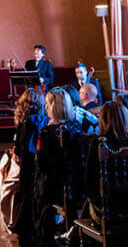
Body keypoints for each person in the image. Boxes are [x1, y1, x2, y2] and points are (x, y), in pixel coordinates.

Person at [84, 100, 128, 224]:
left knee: (88, 203)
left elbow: (89, 183)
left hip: (110, 209)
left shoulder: (98, 143)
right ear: (126, 117)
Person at [32, 89, 83, 244]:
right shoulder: (77, 127)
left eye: (47, 104)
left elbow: (40, 164)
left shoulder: (47, 131)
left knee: (34, 186)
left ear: (53, 107)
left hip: (55, 186)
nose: (45, 108)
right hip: (77, 183)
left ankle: (40, 234)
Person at [9, 88, 48, 241]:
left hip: (27, 166)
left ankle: (22, 226)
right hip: (42, 165)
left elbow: (19, 152)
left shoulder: (24, 124)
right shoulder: (45, 119)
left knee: (23, 192)